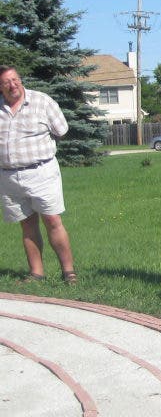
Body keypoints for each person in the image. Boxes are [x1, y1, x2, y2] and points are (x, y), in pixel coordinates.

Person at [0, 65, 77, 283]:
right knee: (26, 224)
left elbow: (61, 130)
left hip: (41, 172)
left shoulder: (42, 102)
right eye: (6, 82)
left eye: (15, 79)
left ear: (20, 80)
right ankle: (36, 273)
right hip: (8, 177)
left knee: (52, 220)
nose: (12, 85)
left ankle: (68, 272)